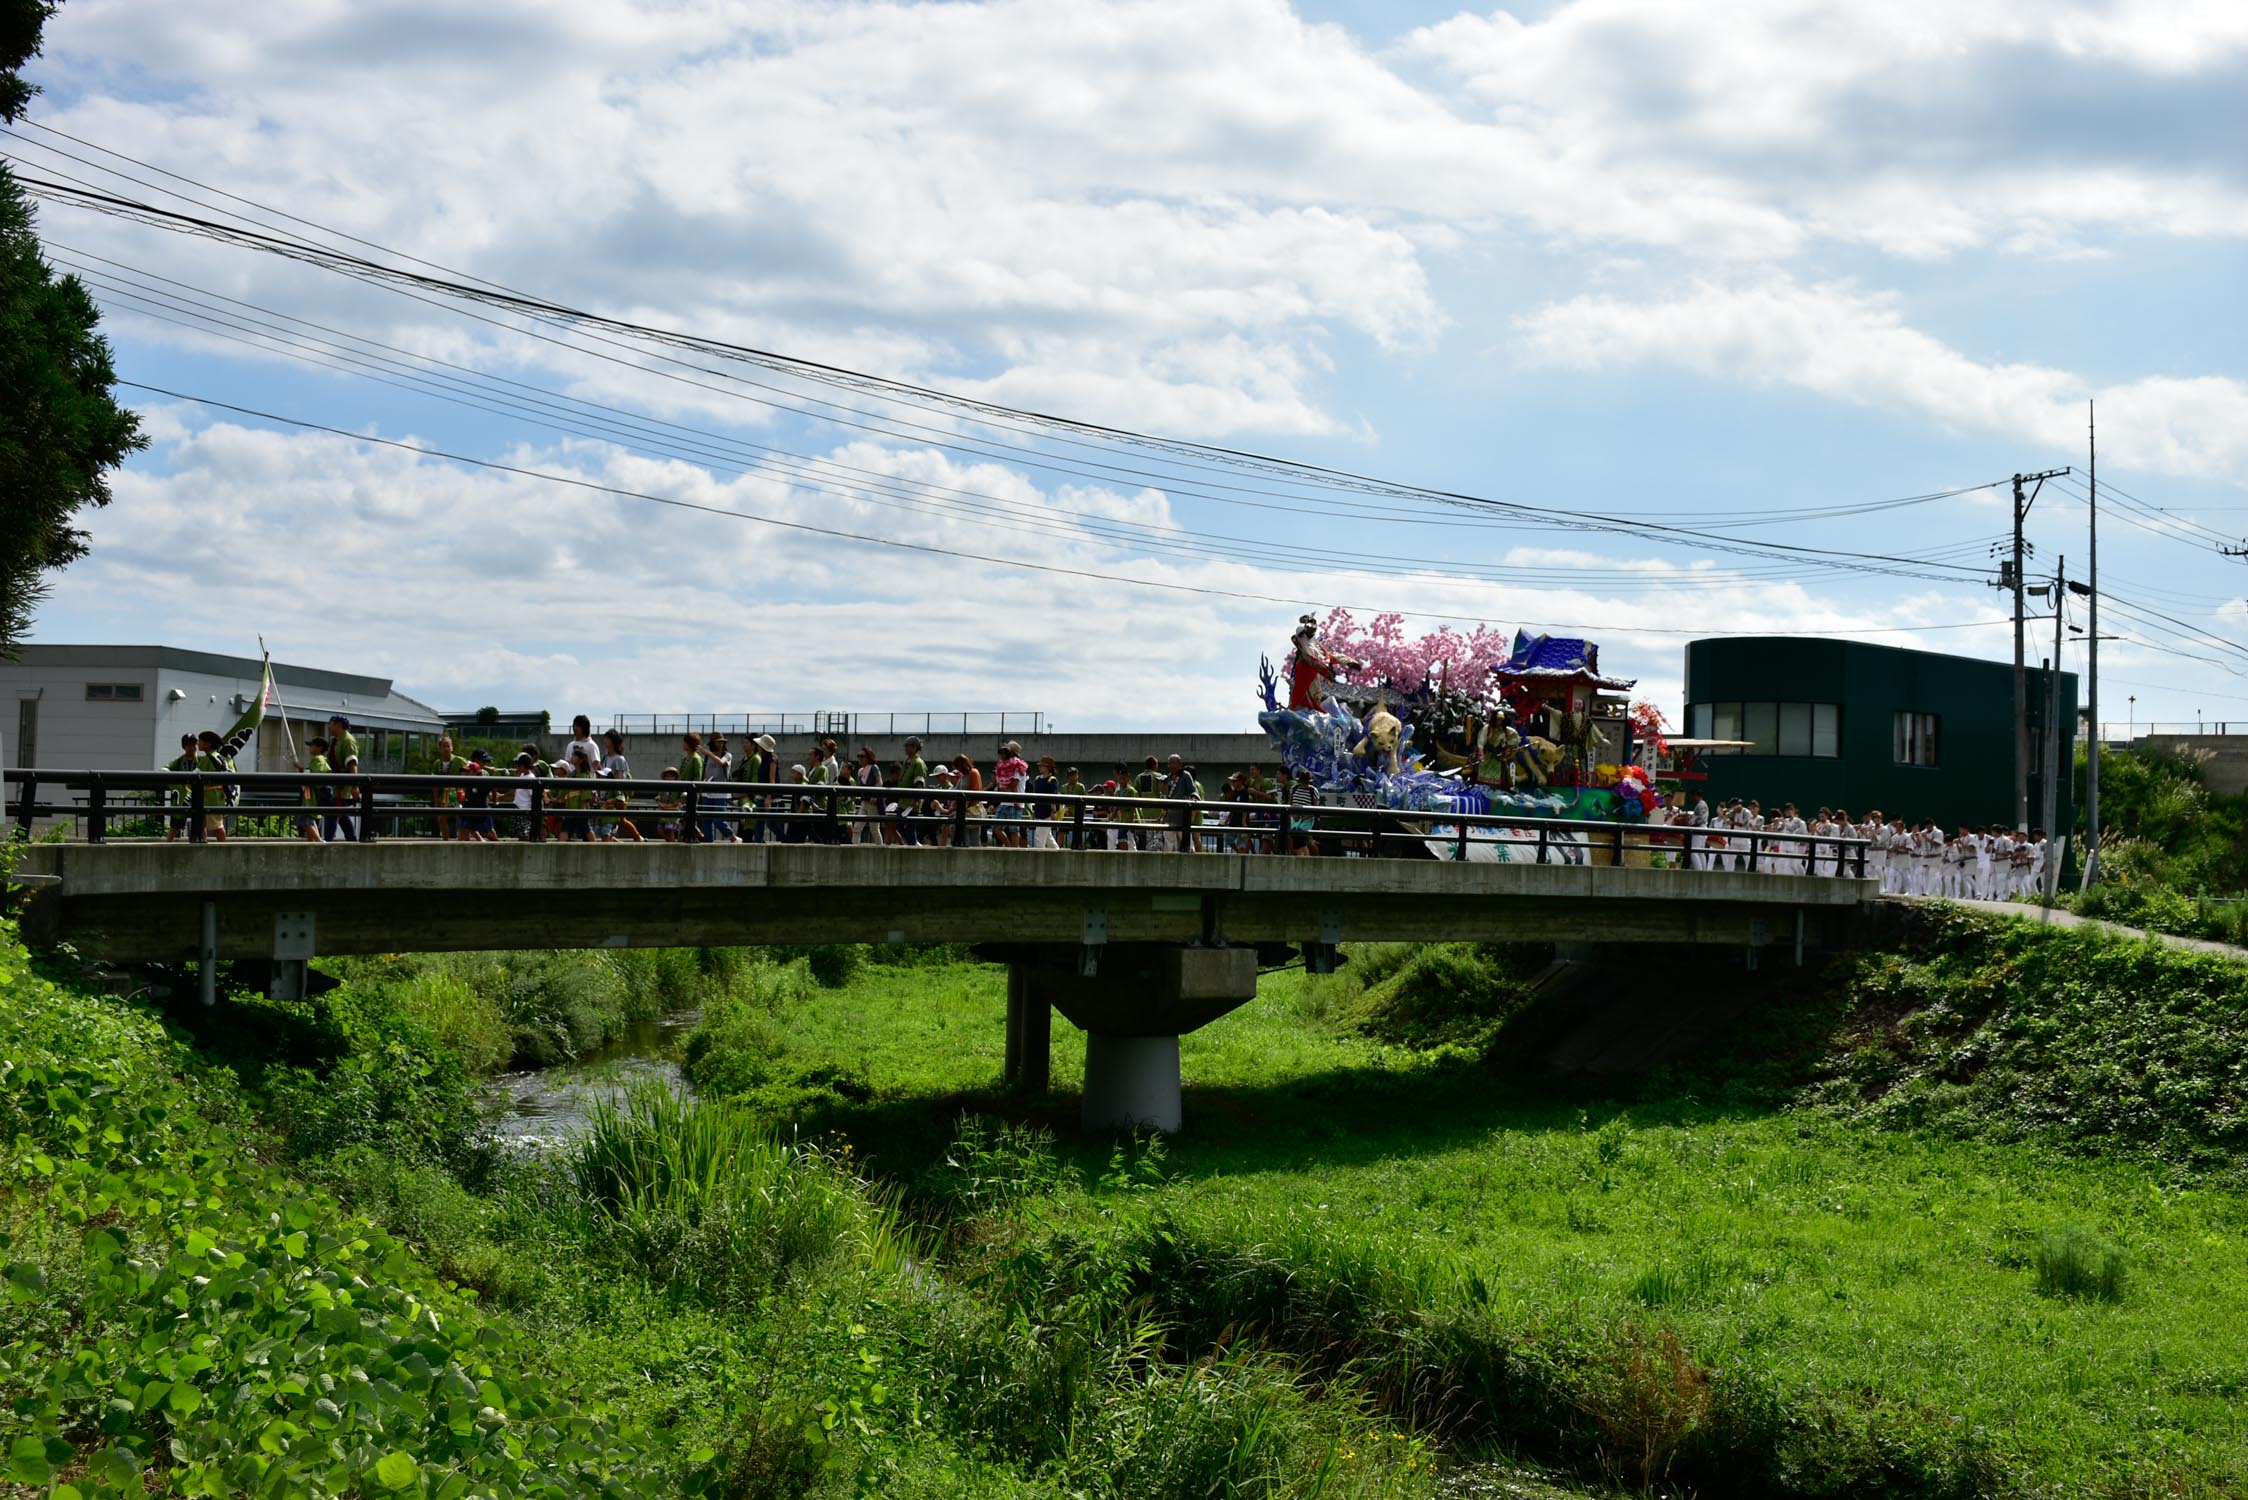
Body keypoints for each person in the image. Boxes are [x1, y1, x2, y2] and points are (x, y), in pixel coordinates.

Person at [458, 749, 499, 842]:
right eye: (483, 761)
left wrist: (495, 798)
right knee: (464, 829)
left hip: (481, 807)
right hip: (469, 807)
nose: (484, 764)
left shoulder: (484, 775)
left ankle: (496, 845)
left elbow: (492, 786)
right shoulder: (469, 772)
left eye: (485, 762)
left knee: (486, 832)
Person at [430, 734, 465, 841]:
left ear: (452, 747)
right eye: (444, 746)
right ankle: (445, 840)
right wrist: (435, 800)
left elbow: (472, 769)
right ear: (440, 748)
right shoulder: (437, 764)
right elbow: (434, 784)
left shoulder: (459, 760)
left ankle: (462, 839)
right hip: (444, 796)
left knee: (461, 817)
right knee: (441, 818)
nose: (446, 749)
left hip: (458, 794)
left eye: (448, 746)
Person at [163, 733, 197, 842]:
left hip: (198, 795)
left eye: (193, 744)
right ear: (184, 747)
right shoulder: (178, 761)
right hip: (181, 797)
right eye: (188, 745)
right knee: (175, 825)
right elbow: (165, 770)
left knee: (200, 824)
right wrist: (179, 782)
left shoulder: (202, 760)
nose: (191, 747)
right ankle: (166, 847)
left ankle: (200, 846)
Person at [295, 735, 330, 842]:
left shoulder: (317, 759)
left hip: (311, 795)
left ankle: (319, 841)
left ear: (319, 747)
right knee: (308, 819)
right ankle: (313, 842)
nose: (310, 748)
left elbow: (314, 775)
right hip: (313, 795)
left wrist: (301, 768)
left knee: (305, 820)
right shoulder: (323, 760)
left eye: (312, 745)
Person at [1286, 768, 1320, 855]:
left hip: (1307, 819)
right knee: (1297, 839)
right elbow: (1290, 803)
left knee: (1299, 838)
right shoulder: (1294, 788)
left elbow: (1316, 807)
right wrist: (1292, 814)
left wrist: (1306, 816)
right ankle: (1304, 856)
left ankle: (1302, 857)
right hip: (1294, 818)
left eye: (1307, 782)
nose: (1305, 784)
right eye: (1304, 782)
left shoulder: (1313, 790)